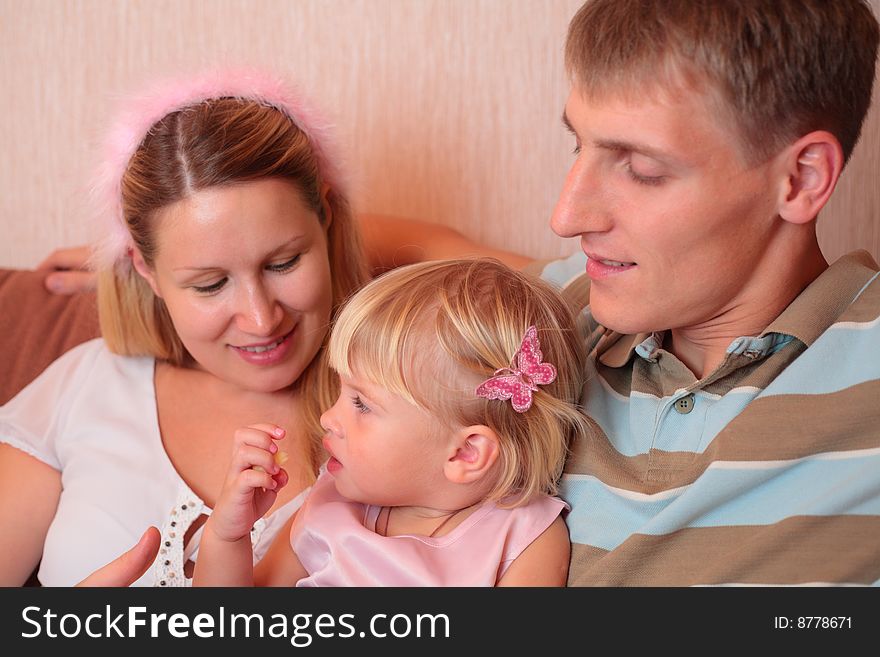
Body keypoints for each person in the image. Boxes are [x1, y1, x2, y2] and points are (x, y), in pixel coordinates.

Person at [27, 0, 880, 587]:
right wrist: (162, 255)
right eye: (577, 146)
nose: (566, 213)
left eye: (641, 168)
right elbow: (441, 260)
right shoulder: (542, 323)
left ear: (801, 177)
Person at [0, 67, 372, 586]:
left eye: (283, 262)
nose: (261, 318)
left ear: (326, 220)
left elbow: (526, 278)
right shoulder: (85, 386)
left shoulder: (402, 402)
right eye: (209, 284)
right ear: (145, 268)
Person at [192, 258, 591, 586]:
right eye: (342, 392)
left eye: (361, 404)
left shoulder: (523, 539)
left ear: (466, 453)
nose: (328, 418)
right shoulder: (329, 506)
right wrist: (228, 534)